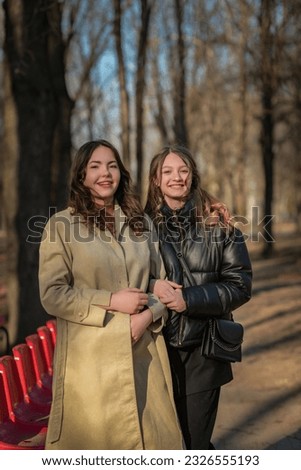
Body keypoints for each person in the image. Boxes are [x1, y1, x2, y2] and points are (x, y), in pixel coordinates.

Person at [38, 139, 183, 450]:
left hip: (145, 357)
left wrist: (147, 316)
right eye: (95, 166)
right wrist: (111, 300)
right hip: (90, 365)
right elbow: (52, 294)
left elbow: (164, 284)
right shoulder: (61, 226)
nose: (105, 173)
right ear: (81, 176)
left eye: (112, 165)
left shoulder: (140, 223)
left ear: (121, 173)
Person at [145, 144, 252, 450]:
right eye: (167, 171)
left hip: (204, 351)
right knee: (165, 445)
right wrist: (153, 284)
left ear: (193, 176)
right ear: (155, 179)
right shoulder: (140, 226)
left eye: (183, 170)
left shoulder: (220, 226)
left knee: (194, 445)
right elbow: (127, 277)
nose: (176, 177)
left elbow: (240, 284)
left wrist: (189, 299)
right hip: (156, 352)